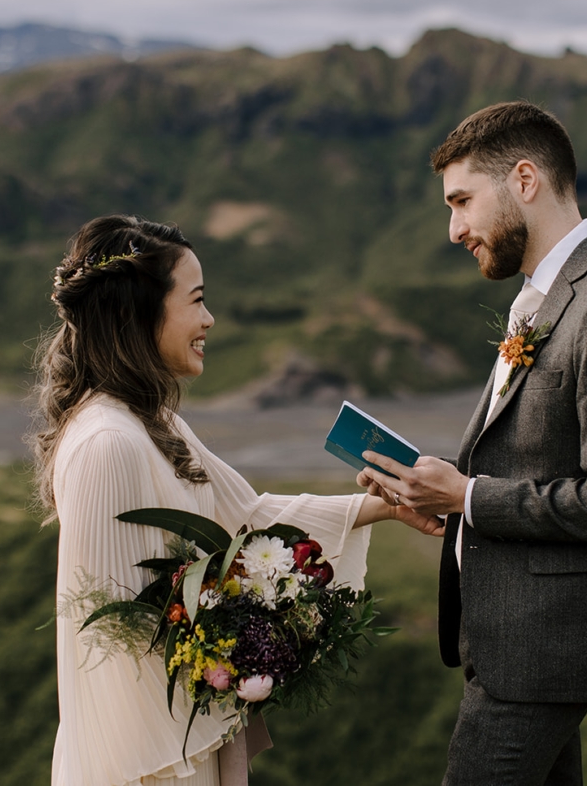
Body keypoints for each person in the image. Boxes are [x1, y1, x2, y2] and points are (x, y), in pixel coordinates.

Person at [32, 215, 440, 786]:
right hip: (148, 763)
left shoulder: (152, 422)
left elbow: (246, 520)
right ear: (136, 313)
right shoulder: (107, 443)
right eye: (196, 300)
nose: (209, 319)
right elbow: (116, 644)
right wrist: (234, 661)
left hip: (182, 739)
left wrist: (389, 507)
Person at [358, 101, 587, 785]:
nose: (454, 229)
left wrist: (468, 497)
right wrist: (433, 491)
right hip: (512, 641)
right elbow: (527, 457)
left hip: (546, 649)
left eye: (462, 201)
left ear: (525, 181)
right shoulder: (546, 295)